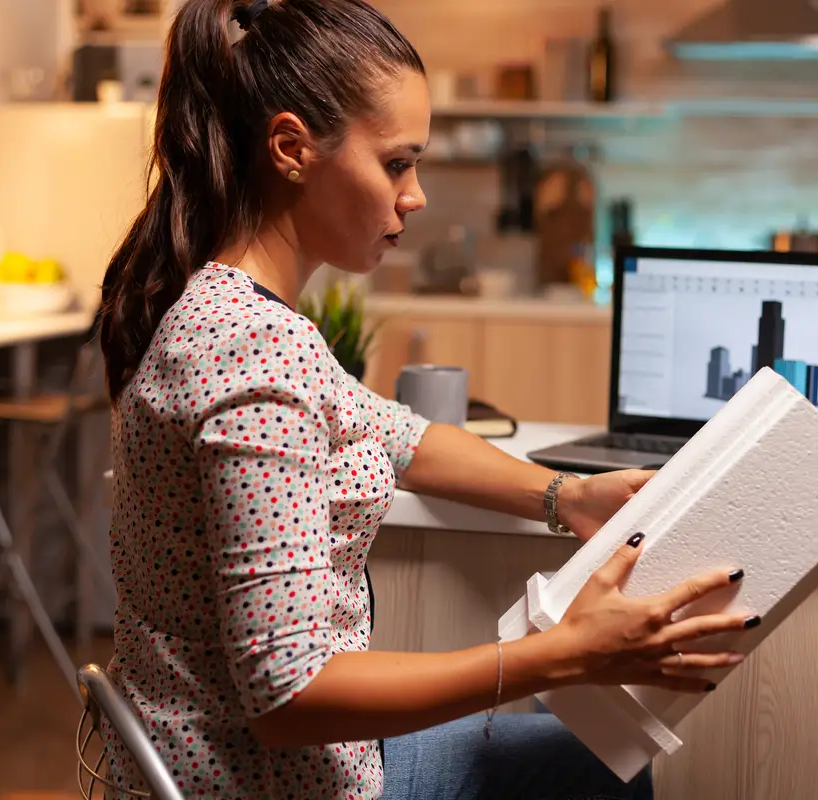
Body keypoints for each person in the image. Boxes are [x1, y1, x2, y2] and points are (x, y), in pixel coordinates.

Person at [96, 1, 756, 798]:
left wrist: (567, 495)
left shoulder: (238, 315)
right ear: (291, 149)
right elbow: (289, 696)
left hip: (271, 769)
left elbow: (402, 434)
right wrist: (566, 654)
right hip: (276, 781)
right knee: (600, 767)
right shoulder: (253, 352)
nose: (416, 195)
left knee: (596, 762)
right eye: (397, 163)